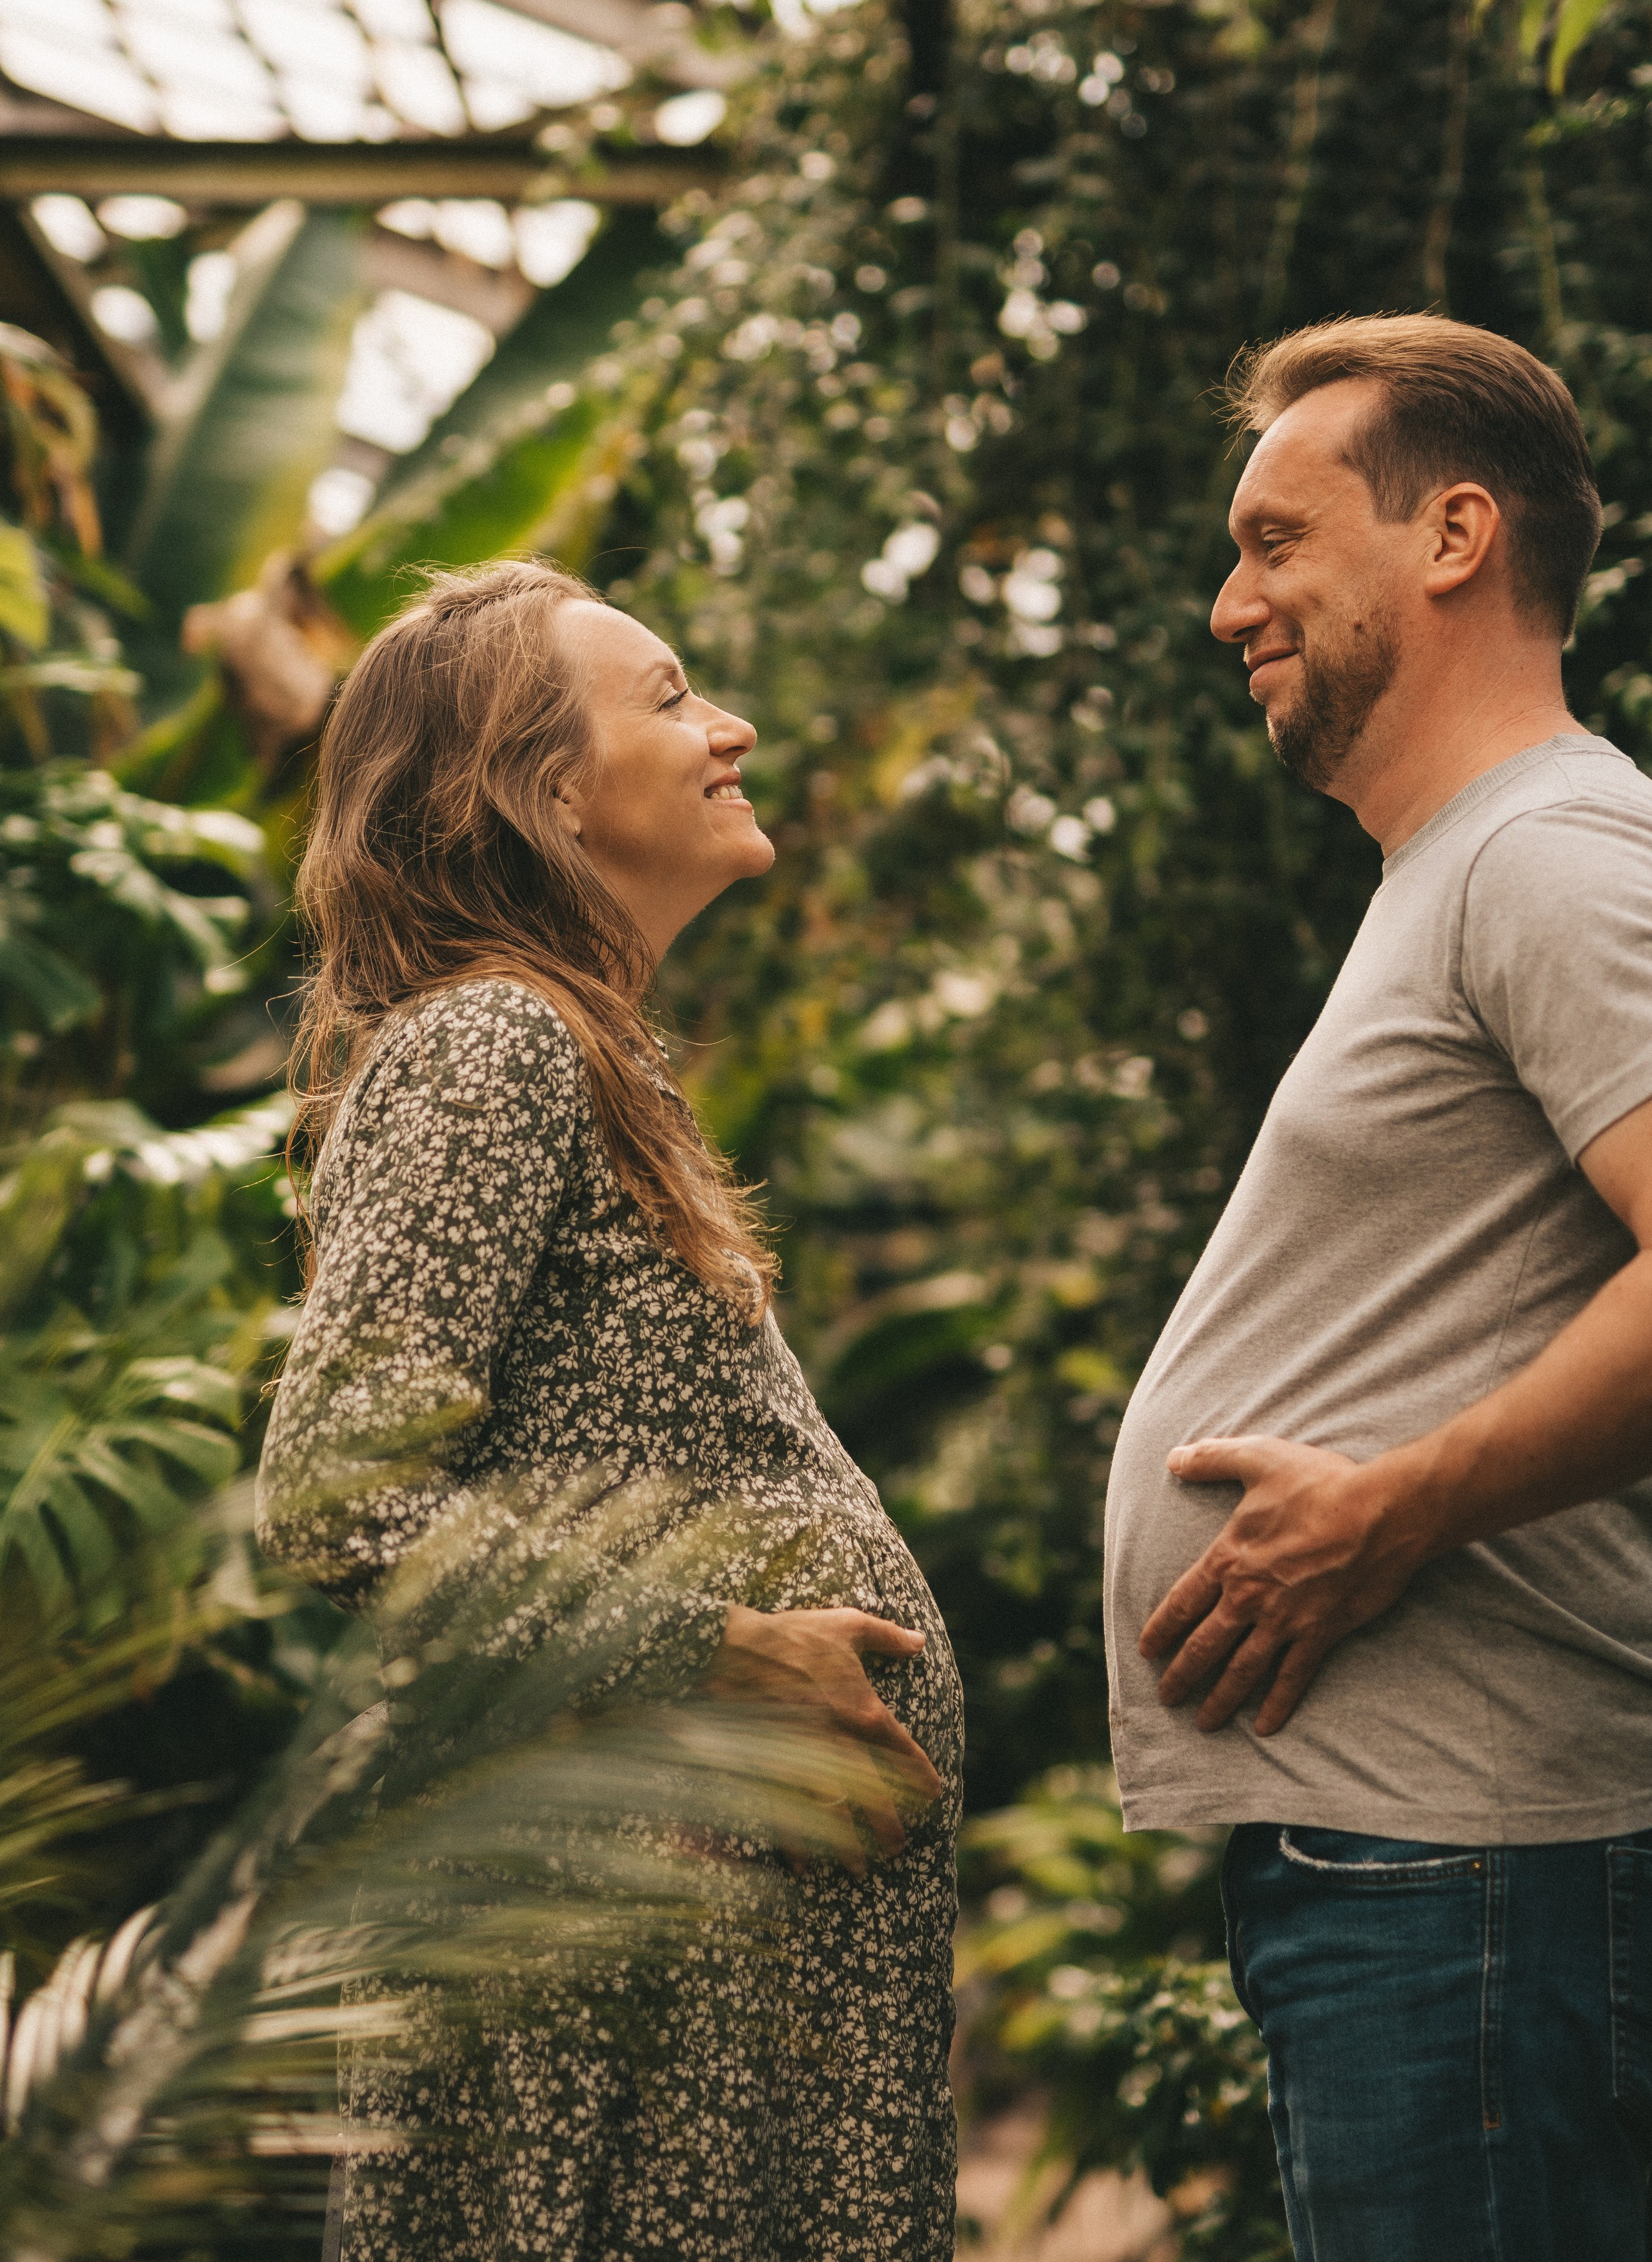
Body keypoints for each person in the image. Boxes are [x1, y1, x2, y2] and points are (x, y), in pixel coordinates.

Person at [255, 561, 962, 2262]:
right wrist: (724, 1647)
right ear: (547, 790)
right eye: (669, 699)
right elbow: (333, 1499)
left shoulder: (573, 1053)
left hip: (694, 1981)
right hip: (607, 1987)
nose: (729, 731)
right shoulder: (487, 1044)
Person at [1102, 316, 1652, 2258]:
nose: (1227, 598)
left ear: (1455, 537)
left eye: (1273, 539)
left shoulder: (1547, 852)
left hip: (1475, 1871)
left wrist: (1393, 1511)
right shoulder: (1459, 865)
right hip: (1421, 1864)